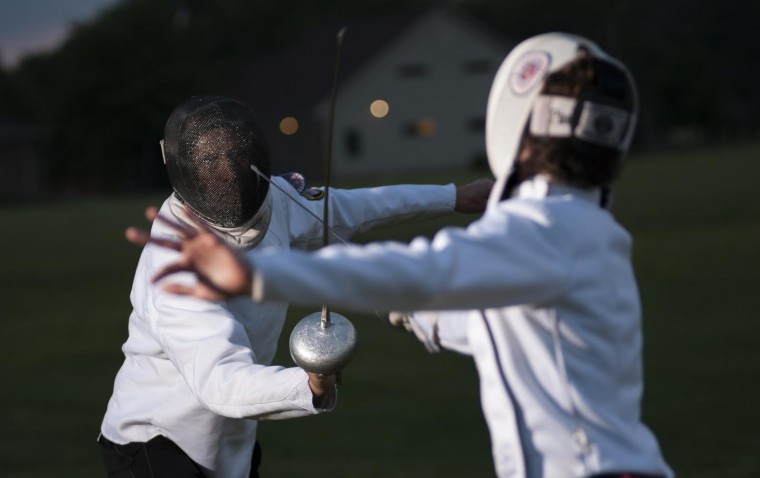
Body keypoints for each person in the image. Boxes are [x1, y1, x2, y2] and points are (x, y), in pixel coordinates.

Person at [126, 33, 674, 478]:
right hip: (165, 442)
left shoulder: (545, 233)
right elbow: (486, 320)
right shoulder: (583, 236)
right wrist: (410, 314)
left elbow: (413, 270)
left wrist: (252, 274)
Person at [99, 93, 493, 478]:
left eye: (235, 153)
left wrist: (454, 197)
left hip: (230, 442)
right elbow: (220, 381)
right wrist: (309, 384)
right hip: (154, 443)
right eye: (208, 159)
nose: (228, 171)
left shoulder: (276, 199)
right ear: (184, 166)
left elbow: (353, 208)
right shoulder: (173, 266)